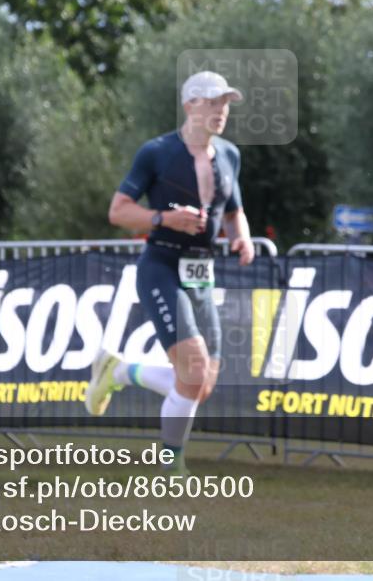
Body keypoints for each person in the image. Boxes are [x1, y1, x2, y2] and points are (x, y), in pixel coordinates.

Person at [85, 70, 255, 474]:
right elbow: (118, 211)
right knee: (193, 370)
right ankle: (170, 465)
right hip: (160, 267)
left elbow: (235, 212)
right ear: (189, 105)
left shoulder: (230, 155)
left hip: (201, 273)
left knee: (201, 384)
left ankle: (118, 371)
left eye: (226, 104)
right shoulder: (157, 152)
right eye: (213, 102)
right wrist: (163, 218)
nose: (221, 111)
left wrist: (241, 238)